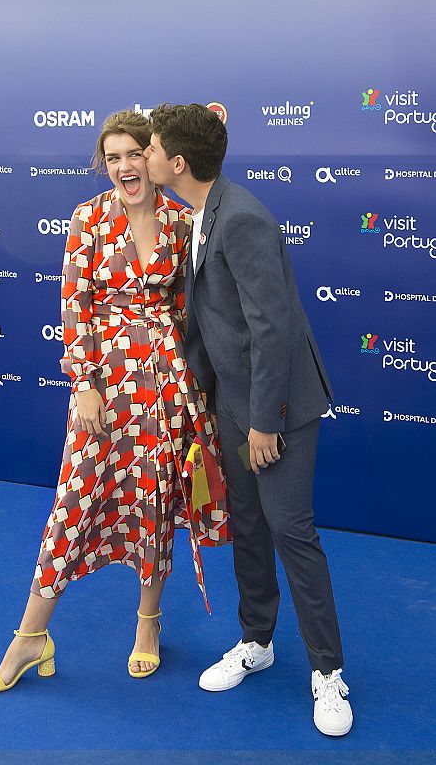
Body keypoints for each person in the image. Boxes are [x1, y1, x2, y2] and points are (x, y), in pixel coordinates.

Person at [0, 109, 229, 693]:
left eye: (132, 154)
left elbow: (199, 309)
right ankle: (30, 636)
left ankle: (148, 621)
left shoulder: (184, 221)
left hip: (166, 386)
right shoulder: (88, 218)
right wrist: (83, 381)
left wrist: (199, 389)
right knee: (74, 501)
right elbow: (74, 304)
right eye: (111, 158)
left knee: (156, 501)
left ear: (154, 156)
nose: (122, 167)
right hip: (105, 389)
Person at [144, 103, 353, 736]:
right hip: (233, 404)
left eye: (150, 148)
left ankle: (328, 675)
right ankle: (256, 641)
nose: (144, 158)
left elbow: (274, 327)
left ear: (177, 164)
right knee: (248, 525)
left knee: (292, 532)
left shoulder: (241, 219)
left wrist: (267, 422)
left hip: (275, 408)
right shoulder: (202, 212)